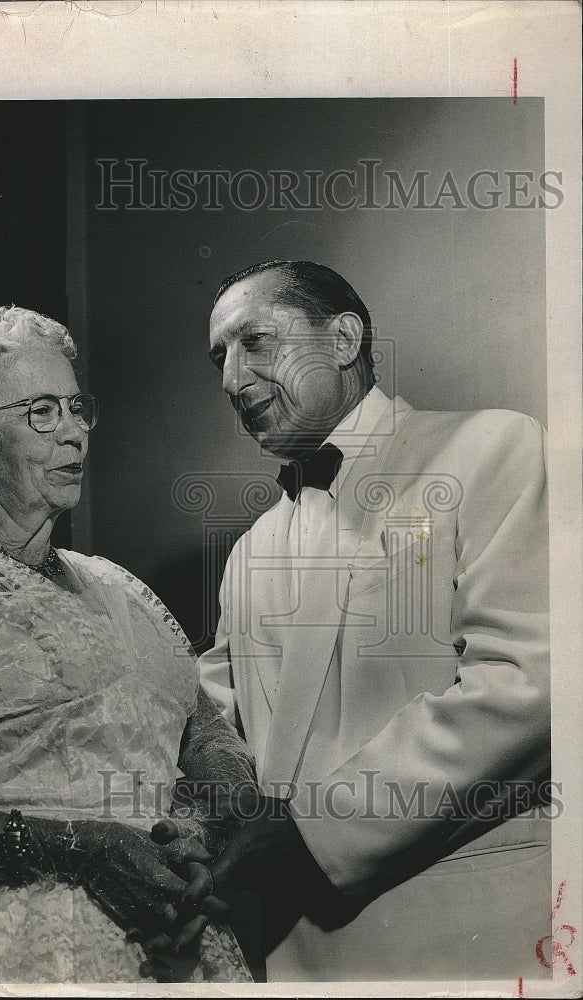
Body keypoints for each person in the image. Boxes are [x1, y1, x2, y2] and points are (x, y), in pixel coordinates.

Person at [0, 305, 256, 985]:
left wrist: (205, 833)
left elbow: (210, 739)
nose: (75, 433)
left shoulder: (119, 587)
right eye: (40, 412)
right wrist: (70, 847)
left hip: (169, 949)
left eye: (76, 407)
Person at [195, 260, 551, 981]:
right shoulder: (248, 550)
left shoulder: (492, 448)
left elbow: (529, 684)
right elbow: (209, 724)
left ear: (344, 339)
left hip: (461, 929)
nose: (232, 379)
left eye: (255, 343)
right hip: (285, 954)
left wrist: (310, 835)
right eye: (220, 358)